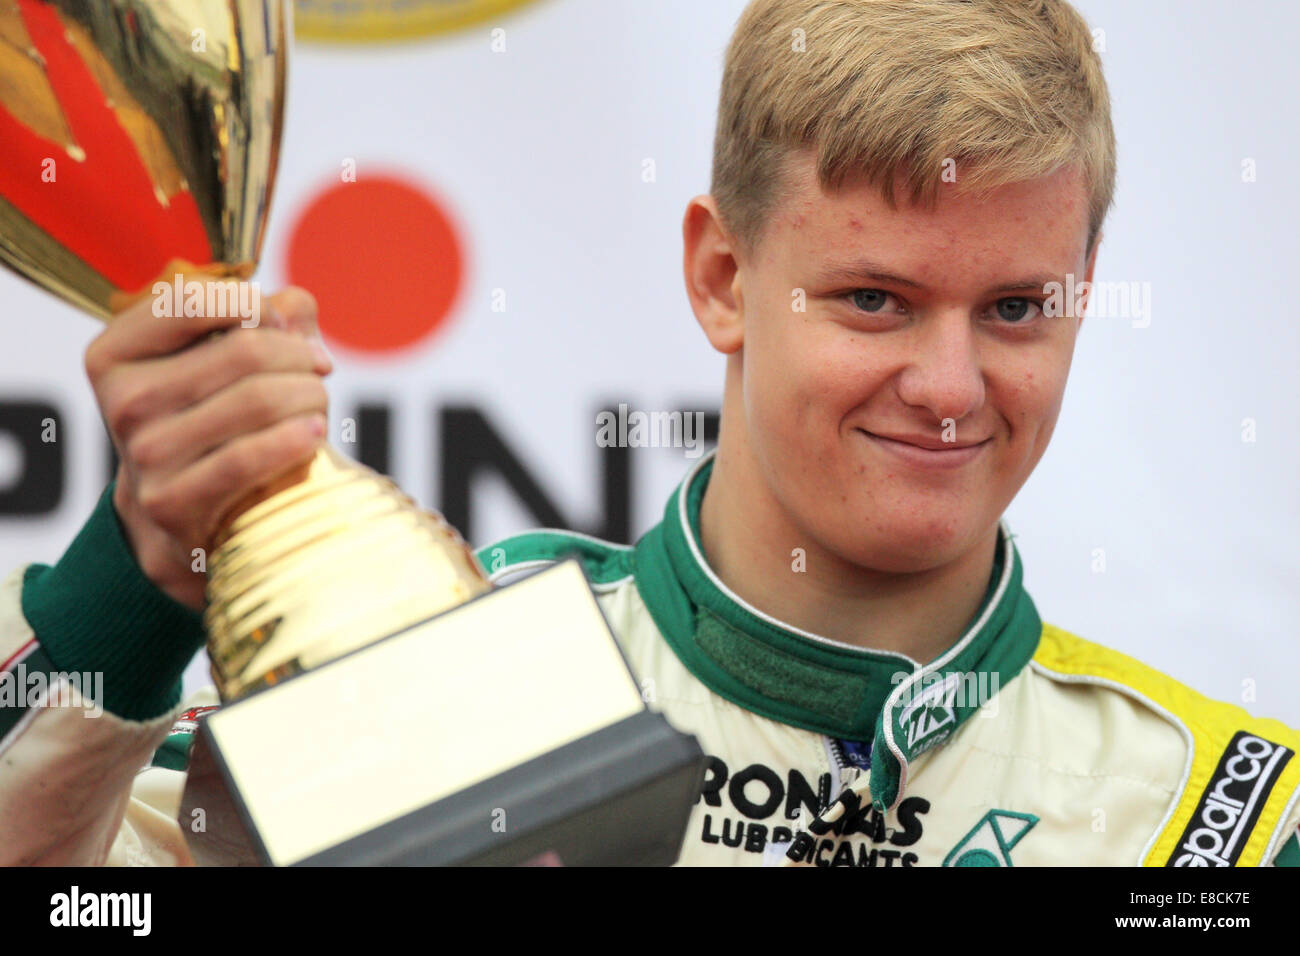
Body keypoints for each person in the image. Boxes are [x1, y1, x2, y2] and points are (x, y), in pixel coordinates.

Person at [2, 0, 1297, 867]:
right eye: (875, 301)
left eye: (1015, 308)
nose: (951, 386)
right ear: (722, 278)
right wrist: (133, 593)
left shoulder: (1221, 820)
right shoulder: (426, 678)